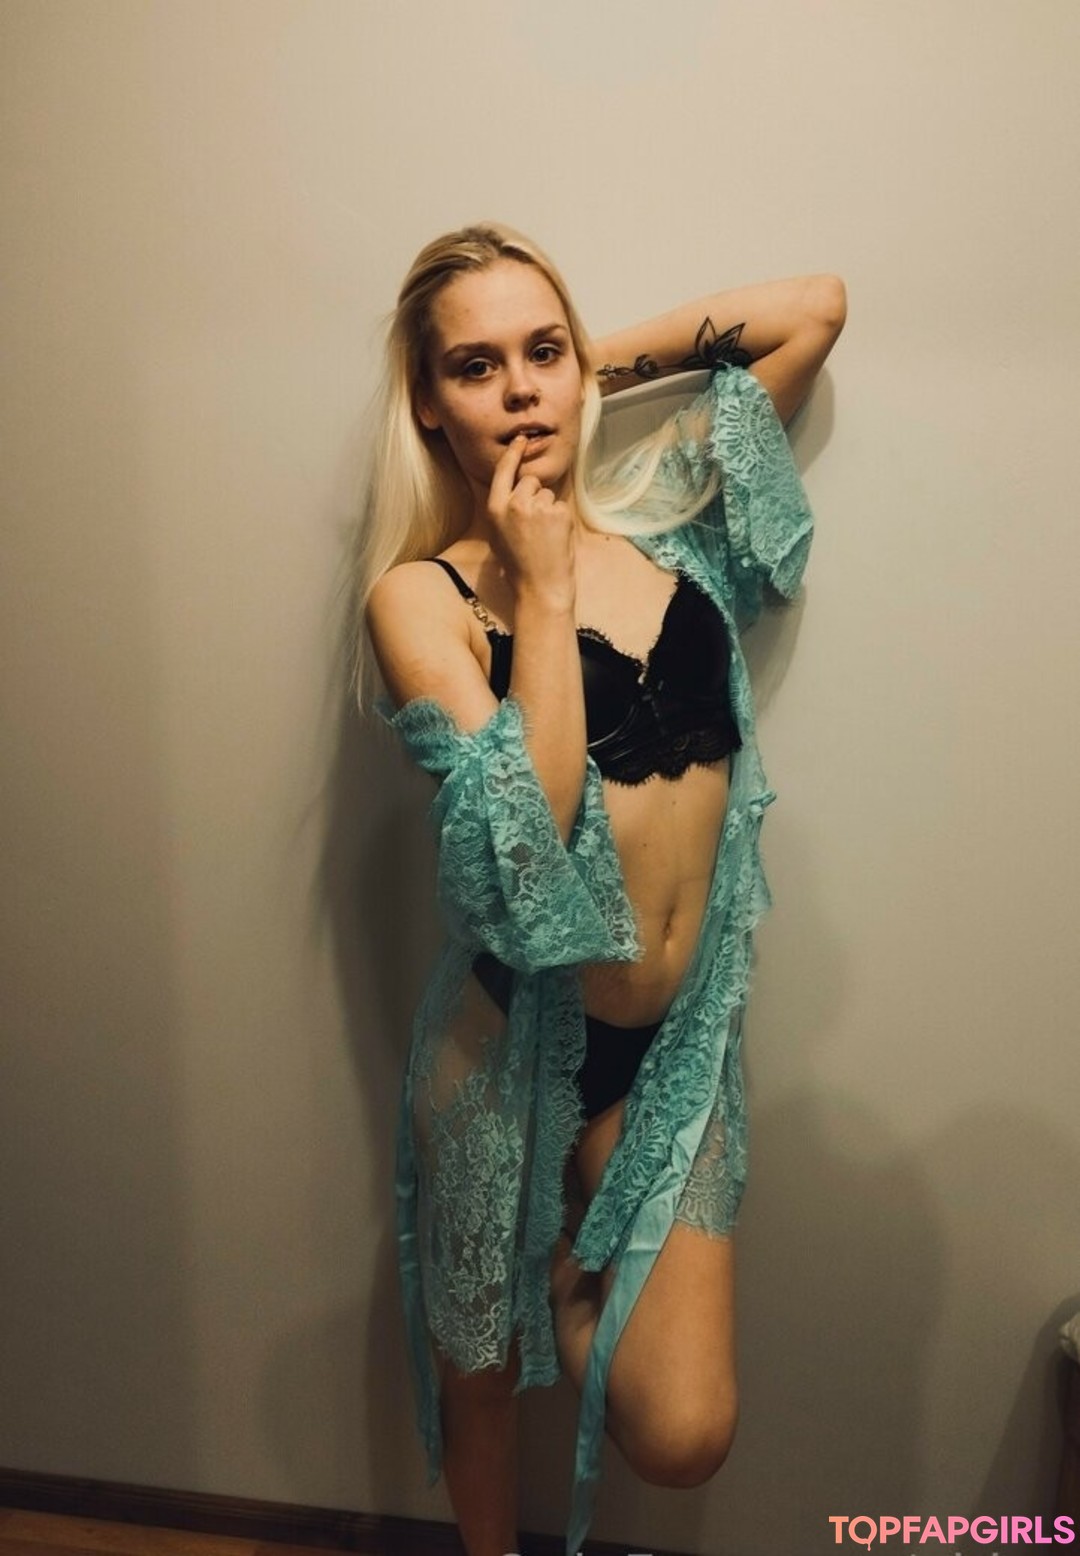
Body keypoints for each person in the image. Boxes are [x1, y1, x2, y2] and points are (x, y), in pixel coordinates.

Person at [357, 222, 846, 1556]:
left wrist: (579, 378)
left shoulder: (668, 524)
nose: (518, 390)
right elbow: (529, 859)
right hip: (511, 1038)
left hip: (670, 1052)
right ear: (425, 402)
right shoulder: (421, 599)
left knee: (684, 1435)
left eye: (542, 352)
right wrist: (541, 581)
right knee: (480, 1368)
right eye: (475, 368)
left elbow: (811, 307)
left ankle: (568, 1272)